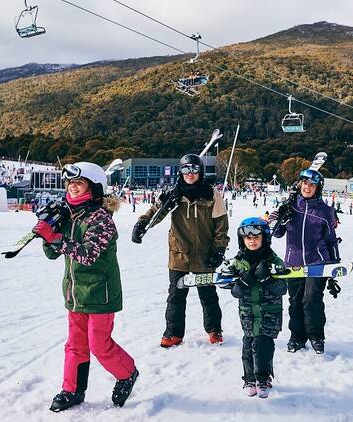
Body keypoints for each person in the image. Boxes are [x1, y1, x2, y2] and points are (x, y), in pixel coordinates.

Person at [33, 162, 138, 412]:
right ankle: (72, 390)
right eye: (70, 183)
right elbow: (52, 254)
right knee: (75, 344)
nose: (73, 188)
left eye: (79, 183)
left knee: (99, 344)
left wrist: (57, 240)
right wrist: (48, 236)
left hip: (100, 294)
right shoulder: (69, 215)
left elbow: (88, 254)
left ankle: (127, 373)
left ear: (94, 187)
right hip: (75, 293)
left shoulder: (101, 219)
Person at [131, 154, 230, 348]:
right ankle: (173, 333)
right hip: (179, 253)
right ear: (180, 172)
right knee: (176, 295)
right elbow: (156, 212)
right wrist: (141, 224)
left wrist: (219, 249)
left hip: (204, 253)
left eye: (194, 170)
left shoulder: (211, 194)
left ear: (200, 172)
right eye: (186, 170)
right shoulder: (173, 194)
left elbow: (221, 225)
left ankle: (214, 330)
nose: (190, 174)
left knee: (208, 294)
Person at [271, 169, 340, 354]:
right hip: (293, 262)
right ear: (300, 184)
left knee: (312, 300)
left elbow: (331, 239)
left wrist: (333, 266)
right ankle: (297, 337)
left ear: (318, 188)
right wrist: (276, 219)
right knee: (295, 302)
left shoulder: (325, 211)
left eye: (312, 185)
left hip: (317, 262)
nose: (307, 188)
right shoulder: (289, 206)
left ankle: (316, 337)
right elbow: (276, 234)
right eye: (305, 183)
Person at [225, 217, 288, 398]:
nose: (252, 241)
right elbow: (235, 292)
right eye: (247, 238)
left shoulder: (274, 260)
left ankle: (263, 378)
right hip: (248, 311)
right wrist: (243, 282)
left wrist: (266, 279)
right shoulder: (238, 263)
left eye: (256, 237)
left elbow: (282, 289)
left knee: (262, 343)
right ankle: (249, 379)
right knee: (248, 343)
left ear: (264, 238)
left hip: (270, 311)